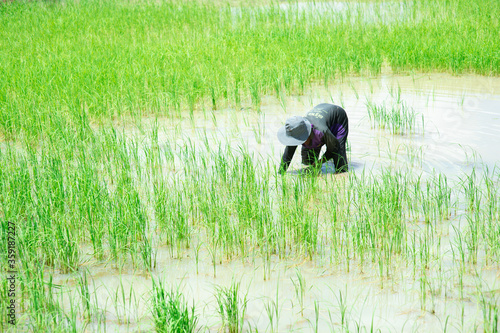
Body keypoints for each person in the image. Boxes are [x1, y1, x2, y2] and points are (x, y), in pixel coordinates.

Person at [277, 103, 349, 174]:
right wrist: (281, 173)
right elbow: (287, 155)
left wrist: (320, 162)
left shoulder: (322, 131)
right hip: (320, 113)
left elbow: (334, 148)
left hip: (337, 118)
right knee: (307, 163)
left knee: (340, 165)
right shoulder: (296, 130)